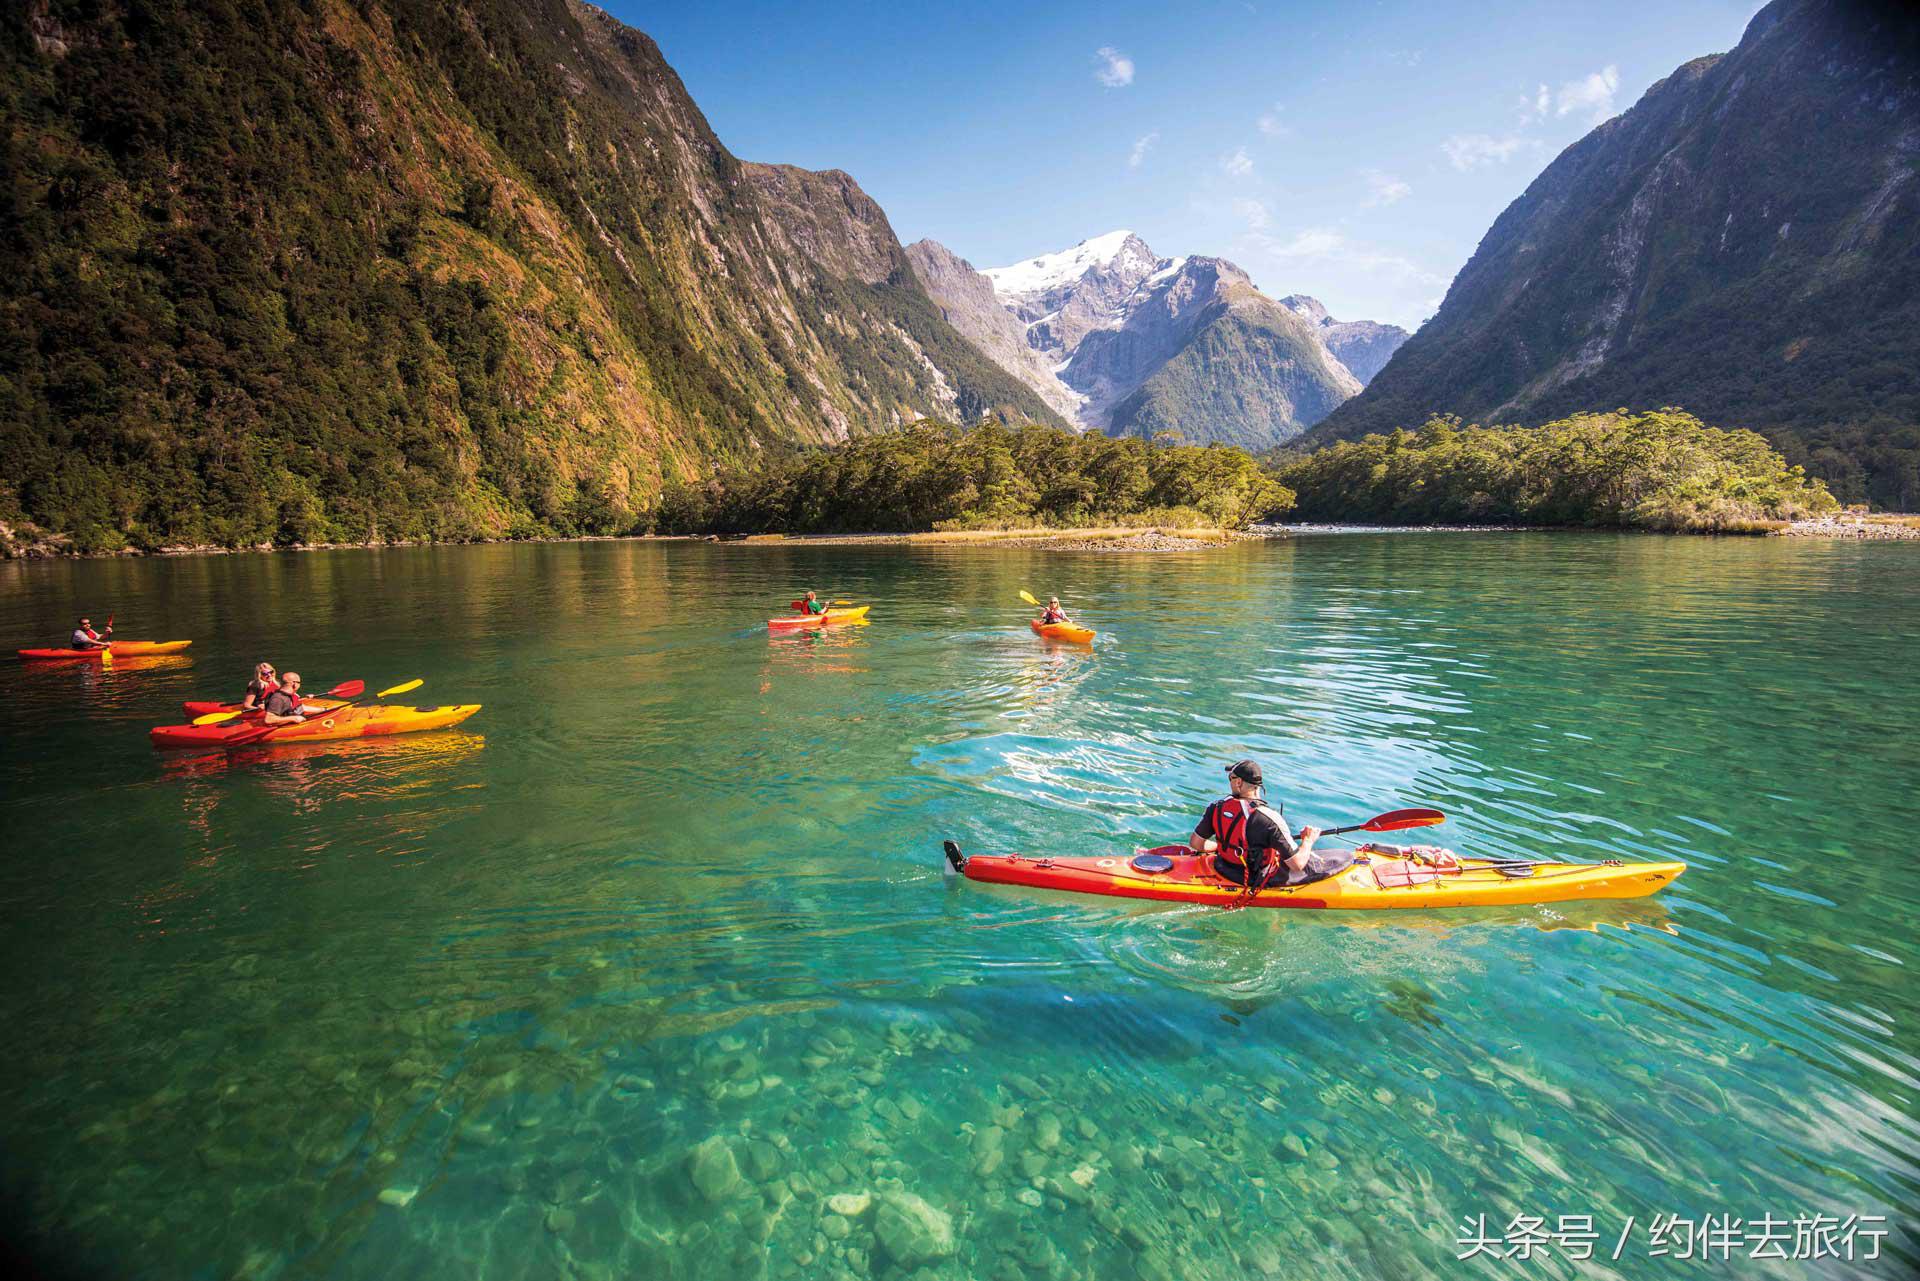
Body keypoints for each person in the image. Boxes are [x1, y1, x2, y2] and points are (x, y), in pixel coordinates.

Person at [1189, 759, 1323, 887]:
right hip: (1253, 879)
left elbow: (1196, 843)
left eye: (1231, 778)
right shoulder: (1270, 818)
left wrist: (1223, 847)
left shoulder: (1216, 807)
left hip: (1221, 867)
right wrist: (1308, 841)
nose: (1230, 782)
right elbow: (1297, 864)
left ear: (1239, 782)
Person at [259, 672, 328, 726]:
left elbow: (300, 708)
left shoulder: (291, 695)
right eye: (299, 682)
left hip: (295, 720)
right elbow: (269, 719)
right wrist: (293, 718)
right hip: (284, 727)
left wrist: (323, 710)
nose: (299, 685)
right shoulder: (278, 698)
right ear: (294, 683)